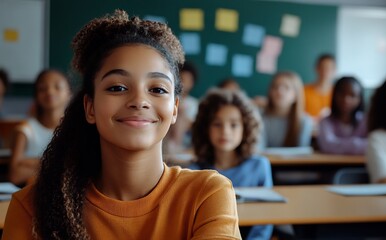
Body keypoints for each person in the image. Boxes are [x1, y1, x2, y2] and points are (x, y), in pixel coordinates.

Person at [2, 10, 240, 239]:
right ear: (90, 107)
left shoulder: (207, 194)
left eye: (157, 89)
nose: (139, 101)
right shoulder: (32, 207)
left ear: (175, 108)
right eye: (117, 87)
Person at [189, 88, 273, 240]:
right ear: (205, 128)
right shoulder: (195, 171)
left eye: (234, 125)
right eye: (217, 124)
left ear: (246, 128)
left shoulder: (259, 166)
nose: (225, 131)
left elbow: (265, 220)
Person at [9, 69, 71, 186]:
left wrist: (30, 163)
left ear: (69, 93)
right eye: (43, 88)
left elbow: (75, 171)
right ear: (36, 95)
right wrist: (56, 164)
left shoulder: (75, 130)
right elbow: (15, 175)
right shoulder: (25, 130)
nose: (50, 92)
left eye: (57, 87)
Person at [317, 76, 367, 155]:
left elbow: (374, 145)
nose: (346, 100)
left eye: (352, 95)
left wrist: (339, 145)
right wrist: (357, 144)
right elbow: (327, 145)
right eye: (341, 94)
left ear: (360, 99)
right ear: (334, 96)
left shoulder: (366, 121)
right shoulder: (325, 122)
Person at [262, 71, 312, 147]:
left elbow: (302, 152)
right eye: (275, 87)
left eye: (286, 87)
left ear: (296, 95)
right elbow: (258, 149)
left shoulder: (305, 121)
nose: (279, 91)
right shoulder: (259, 117)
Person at [164, 62, 199, 153]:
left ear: (192, 83)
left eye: (187, 81)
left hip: (185, 143)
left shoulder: (195, 104)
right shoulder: (166, 100)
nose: (183, 84)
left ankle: (175, 148)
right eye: (181, 79)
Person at [304, 54, 336, 122]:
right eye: (323, 67)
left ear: (334, 70)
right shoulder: (303, 91)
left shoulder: (338, 93)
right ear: (317, 68)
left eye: (329, 68)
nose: (325, 71)